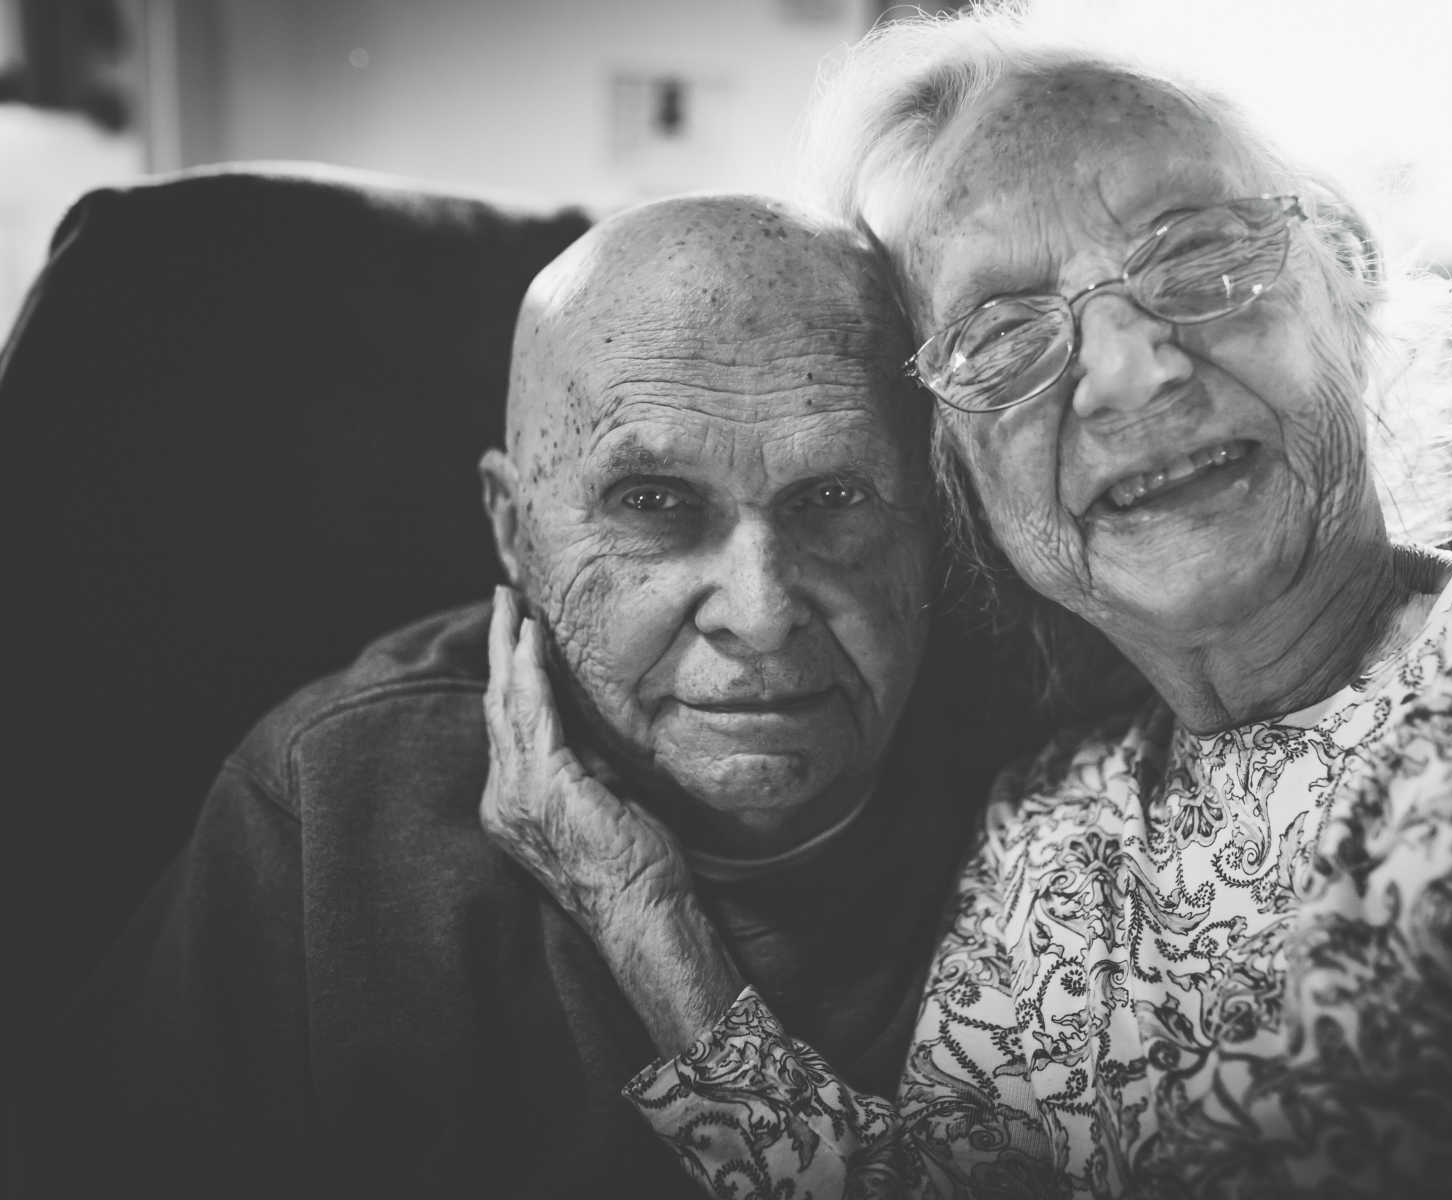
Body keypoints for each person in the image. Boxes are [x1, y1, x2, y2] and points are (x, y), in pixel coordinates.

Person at [478, 7, 1452, 1199]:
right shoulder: (1049, 830)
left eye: (1197, 255)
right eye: (1002, 335)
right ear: (950, 474)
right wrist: (644, 914)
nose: (1130, 368)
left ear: (1343, 279)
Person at [23, 193, 1034, 1197]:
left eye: (833, 499)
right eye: (653, 504)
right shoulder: (332, 804)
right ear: (513, 529)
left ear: (933, 520)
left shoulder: (1063, 796)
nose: (761, 612)